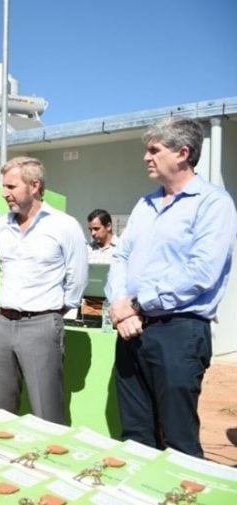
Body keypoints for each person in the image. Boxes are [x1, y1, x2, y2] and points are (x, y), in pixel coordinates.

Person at [107, 117, 237, 457]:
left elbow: (201, 272)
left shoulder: (213, 203)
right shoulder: (144, 204)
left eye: (154, 150)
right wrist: (120, 306)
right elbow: (120, 256)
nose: (146, 157)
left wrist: (136, 305)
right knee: (135, 434)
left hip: (178, 334)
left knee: (179, 439)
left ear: (183, 153)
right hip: (130, 331)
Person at [0, 156, 88, 424]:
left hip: (42, 324)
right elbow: (3, 269)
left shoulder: (64, 226)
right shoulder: (1, 226)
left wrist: (52, 312)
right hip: (1, 323)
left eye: (11, 187)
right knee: (0, 409)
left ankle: (51, 464)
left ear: (34, 186)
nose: (4, 193)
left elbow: (76, 279)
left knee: (46, 411)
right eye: (4, 187)